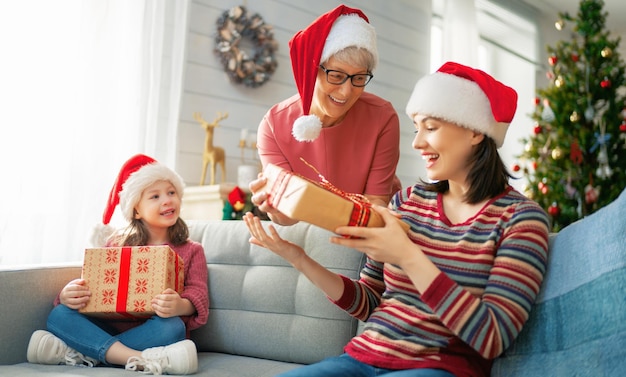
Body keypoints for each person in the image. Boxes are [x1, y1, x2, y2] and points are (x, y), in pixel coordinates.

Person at [243, 61, 550, 377]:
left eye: (430, 128)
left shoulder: (520, 220)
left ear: (474, 131)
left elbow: (492, 337)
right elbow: (370, 302)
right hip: (359, 361)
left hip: (439, 368)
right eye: (416, 128)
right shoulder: (407, 203)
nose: (417, 143)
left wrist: (407, 255)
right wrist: (298, 258)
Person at [26, 154, 209, 375]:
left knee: (174, 327)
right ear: (136, 210)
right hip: (108, 325)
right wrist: (68, 295)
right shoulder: (115, 245)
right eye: (155, 196)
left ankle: (83, 354)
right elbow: (93, 286)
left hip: (154, 329)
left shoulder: (192, 249)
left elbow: (198, 293)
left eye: (172, 193)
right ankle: (140, 359)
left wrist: (181, 305)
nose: (167, 200)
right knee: (59, 314)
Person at [251, 4, 401, 226]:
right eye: (336, 75)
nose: (346, 91)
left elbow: (376, 203)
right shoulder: (274, 125)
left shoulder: (383, 117)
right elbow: (287, 216)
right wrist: (275, 208)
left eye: (359, 78)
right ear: (314, 70)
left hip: (370, 229)